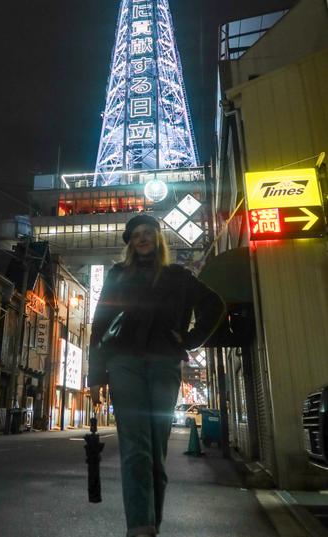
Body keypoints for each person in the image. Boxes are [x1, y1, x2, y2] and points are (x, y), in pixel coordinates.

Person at [88, 214, 225, 537]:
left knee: (156, 451)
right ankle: (140, 527)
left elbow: (215, 306)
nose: (143, 239)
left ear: (158, 238)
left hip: (164, 364)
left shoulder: (178, 277)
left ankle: (152, 524)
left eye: (148, 233)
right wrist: (95, 376)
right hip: (124, 364)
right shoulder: (118, 275)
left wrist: (190, 340)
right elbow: (99, 325)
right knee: (135, 446)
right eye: (136, 235)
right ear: (131, 243)